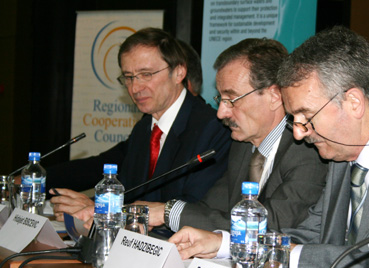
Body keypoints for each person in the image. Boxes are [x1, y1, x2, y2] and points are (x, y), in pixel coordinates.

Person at [168, 26, 369, 268]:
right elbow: (309, 235)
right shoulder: (341, 156)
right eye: (294, 119)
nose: (299, 133)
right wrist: (225, 244)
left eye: (306, 116)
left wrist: (297, 257)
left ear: (353, 102)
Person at [136, 38, 328, 237]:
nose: (221, 113)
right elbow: (209, 209)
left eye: (231, 100)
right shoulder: (243, 146)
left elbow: (269, 225)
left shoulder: (307, 151)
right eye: (220, 99)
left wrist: (168, 213)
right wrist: (161, 218)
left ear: (275, 96)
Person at [49, 28, 232, 228]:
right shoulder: (143, 128)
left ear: (179, 72)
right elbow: (131, 195)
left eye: (146, 74)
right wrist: (93, 206)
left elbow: (193, 209)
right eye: (129, 77)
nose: (135, 88)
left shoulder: (213, 129)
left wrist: (101, 208)